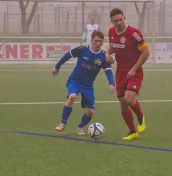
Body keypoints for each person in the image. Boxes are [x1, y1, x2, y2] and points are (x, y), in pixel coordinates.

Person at [53, 30, 115, 134]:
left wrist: (111, 84)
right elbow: (67, 55)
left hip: (88, 85)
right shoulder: (82, 50)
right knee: (72, 96)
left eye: (100, 41)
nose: (98, 43)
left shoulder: (104, 57)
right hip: (75, 80)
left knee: (90, 112)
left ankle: (80, 127)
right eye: (96, 40)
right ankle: (62, 124)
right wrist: (57, 66)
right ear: (91, 41)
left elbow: (108, 72)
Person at [105, 8, 149, 140]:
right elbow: (112, 46)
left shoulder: (134, 33)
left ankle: (141, 117)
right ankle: (132, 131)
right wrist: (107, 53)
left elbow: (146, 52)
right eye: (115, 21)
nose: (119, 23)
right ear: (111, 21)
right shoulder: (111, 32)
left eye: (120, 19)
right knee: (123, 103)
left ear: (124, 18)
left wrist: (134, 68)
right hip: (120, 72)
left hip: (134, 71)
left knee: (129, 99)